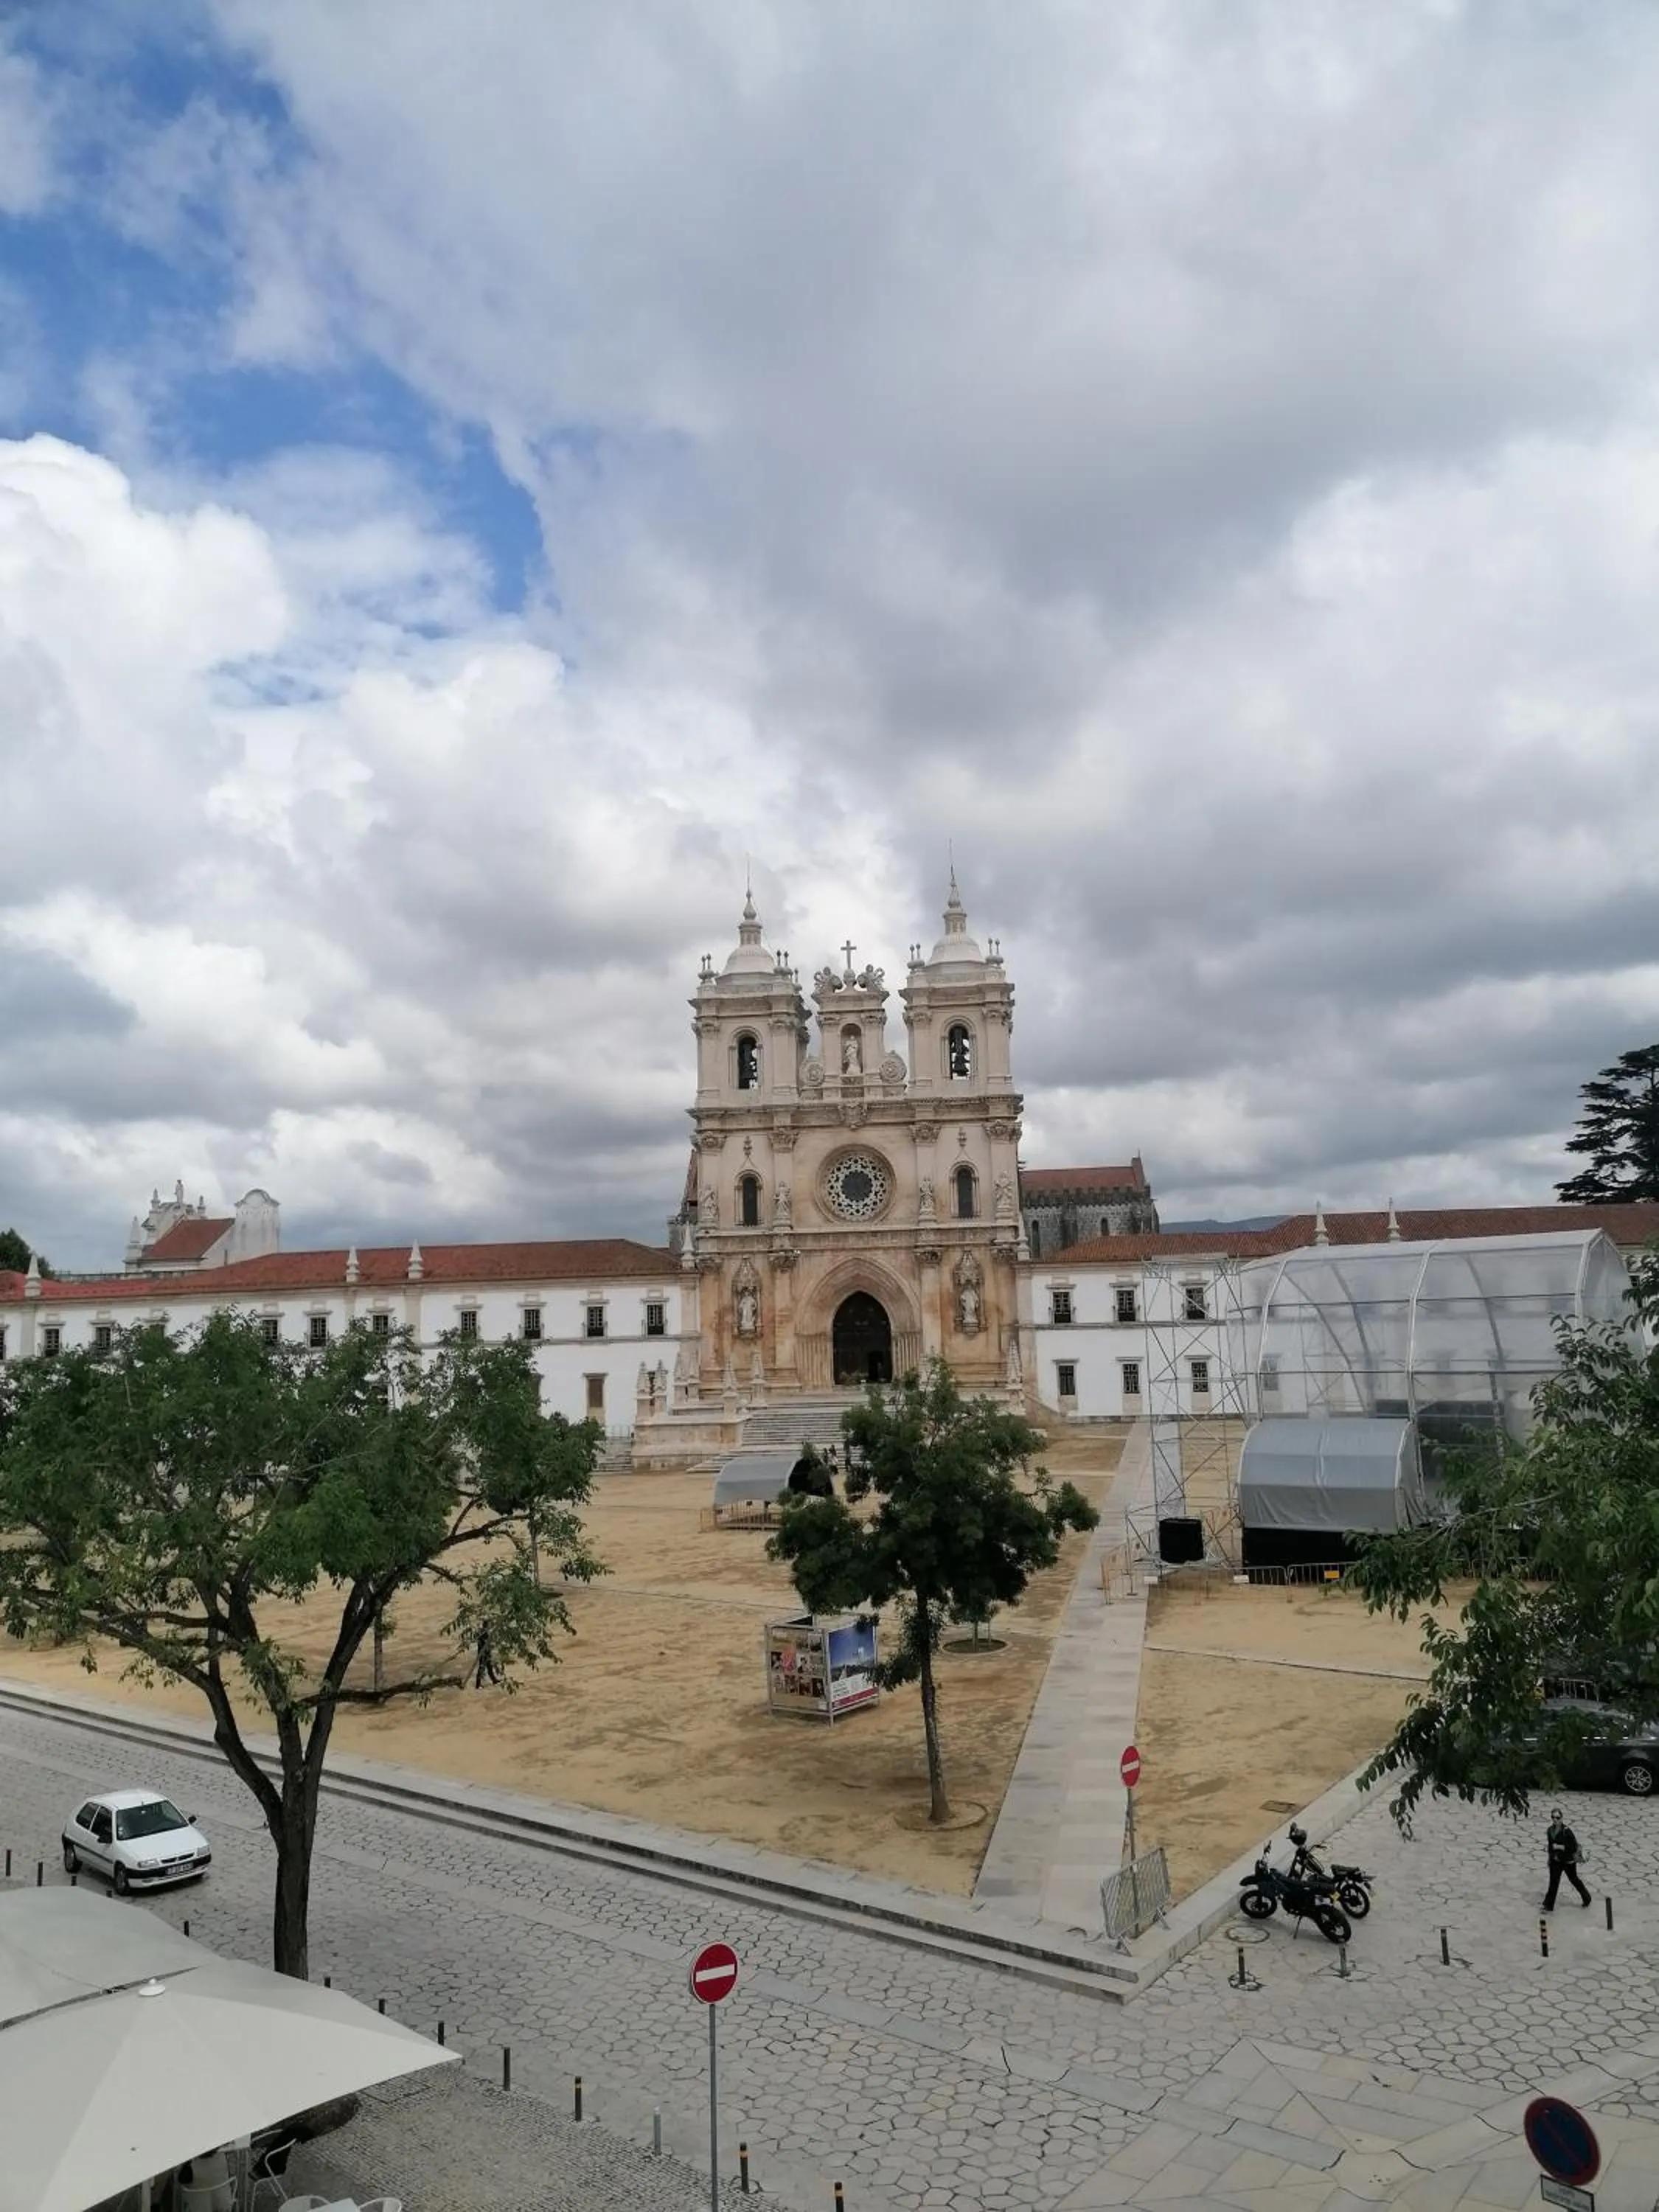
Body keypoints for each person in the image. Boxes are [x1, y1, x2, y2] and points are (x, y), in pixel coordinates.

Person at [1543, 1807, 1590, 1910]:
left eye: (1557, 1817)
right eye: (1553, 1817)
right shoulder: (1550, 1831)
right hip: (1556, 1861)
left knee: (1574, 1879)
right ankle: (1548, 1905)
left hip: (1568, 1861)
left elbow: (1573, 1847)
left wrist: (1560, 1847)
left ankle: (1587, 1898)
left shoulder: (1567, 1831)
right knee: (1553, 1883)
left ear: (1562, 1818)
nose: (1555, 1819)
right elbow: (1550, 1846)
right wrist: (1549, 1858)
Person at [473, 1621, 501, 1690]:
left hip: (487, 1652)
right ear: (487, 1625)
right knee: (481, 1668)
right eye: (490, 1625)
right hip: (483, 1653)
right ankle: (478, 1685)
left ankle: (494, 1680)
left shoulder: (485, 1632)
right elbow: (485, 1643)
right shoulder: (483, 1633)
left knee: (489, 1667)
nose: (490, 1626)